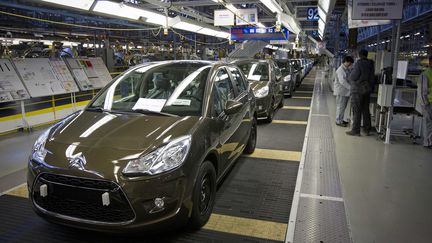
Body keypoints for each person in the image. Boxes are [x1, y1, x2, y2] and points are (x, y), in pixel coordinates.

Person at [346, 49, 375, 136]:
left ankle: (355, 130)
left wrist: (349, 77)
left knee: (356, 110)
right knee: (366, 110)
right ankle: (367, 129)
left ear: (359, 55)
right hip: (367, 90)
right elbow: (372, 78)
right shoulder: (371, 64)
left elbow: (353, 77)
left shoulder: (359, 63)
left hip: (357, 90)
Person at [334, 56, 354, 127]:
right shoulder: (340, 70)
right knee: (340, 107)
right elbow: (342, 81)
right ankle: (338, 121)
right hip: (341, 92)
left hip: (344, 92)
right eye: (350, 63)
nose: (350, 65)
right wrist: (350, 88)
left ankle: (341, 119)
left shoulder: (345, 69)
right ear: (346, 62)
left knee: (342, 107)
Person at [419, 55, 432, 148]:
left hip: (428, 102)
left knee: (429, 123)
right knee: (428, 123)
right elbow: (422, 91)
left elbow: (422, 91)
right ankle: (428, 142)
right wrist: (425, 103)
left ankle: (429, 142)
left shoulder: (425, 74)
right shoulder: (425, 74)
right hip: (428, 103)